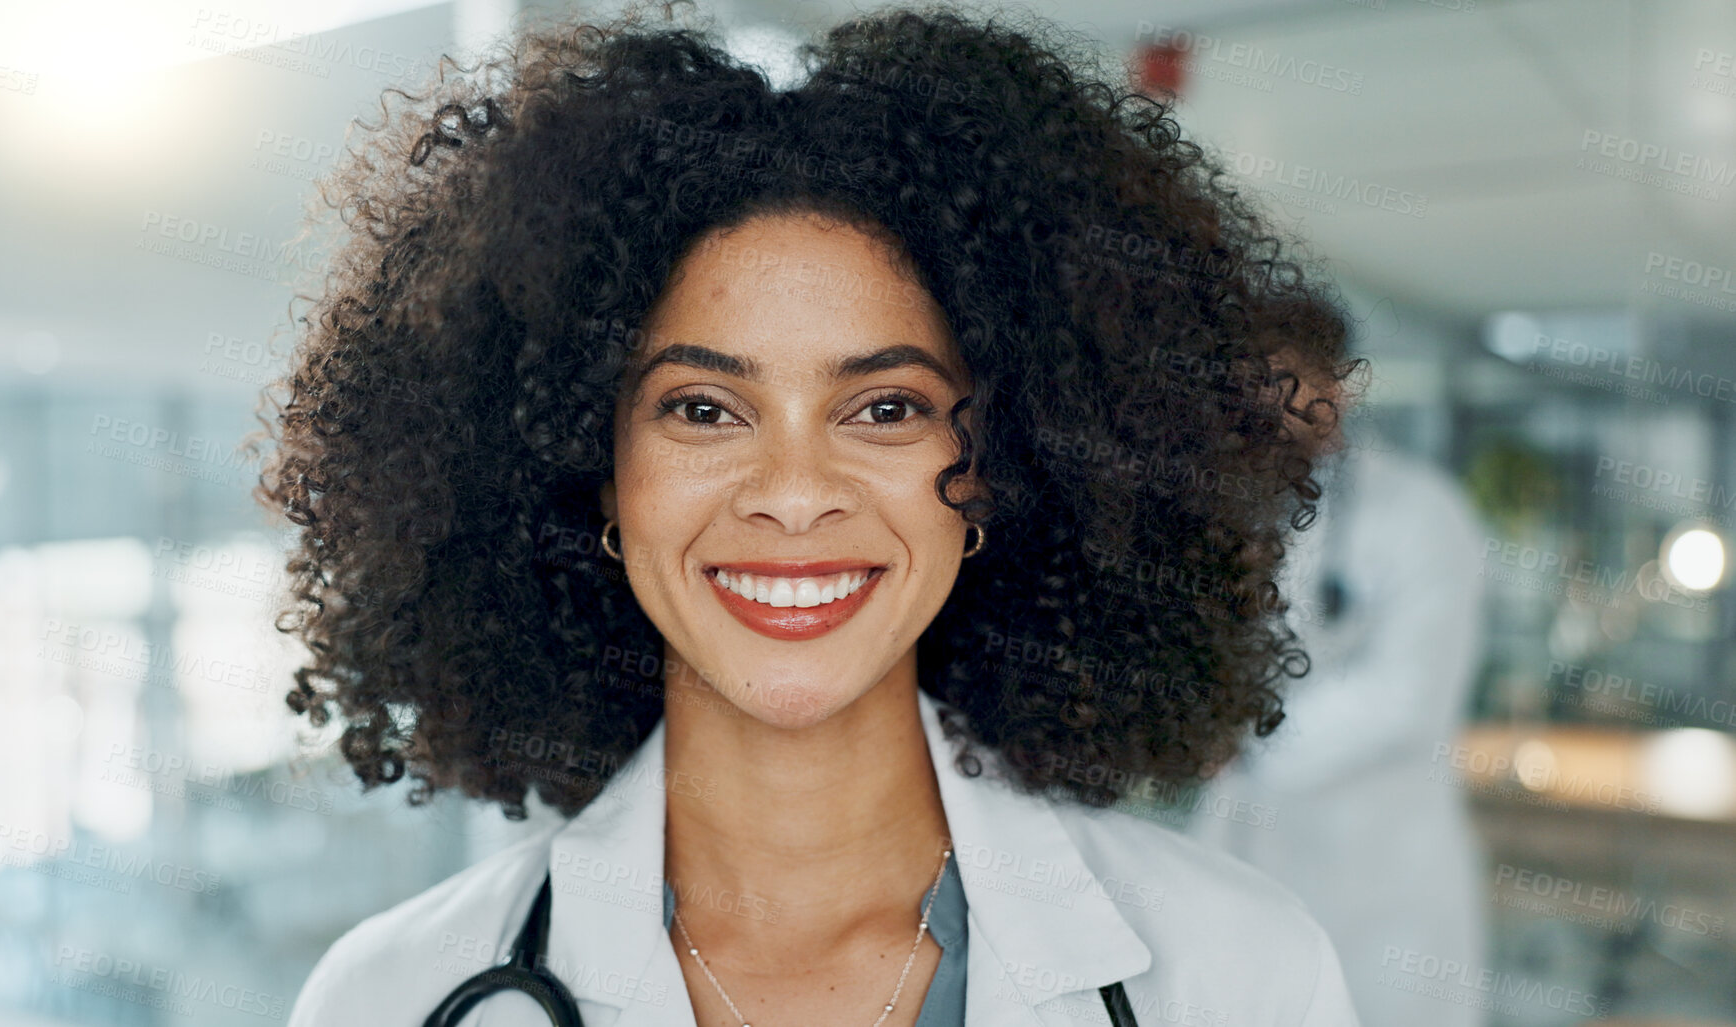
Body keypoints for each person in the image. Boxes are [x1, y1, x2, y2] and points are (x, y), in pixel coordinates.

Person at [252, 2, 1364, 1024]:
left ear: (994, 468)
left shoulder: (1242, 971)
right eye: (703, 407)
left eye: (884, 406)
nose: (791, 494)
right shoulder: (391, 996)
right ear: (593, 465)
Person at [1184, 419, 1490, 1027]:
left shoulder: (1419, 509)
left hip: (1385, 875)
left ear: (1337, 387)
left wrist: (1246, 736)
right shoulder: (1222, 502)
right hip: (1239, 852)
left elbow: (1406, 697)